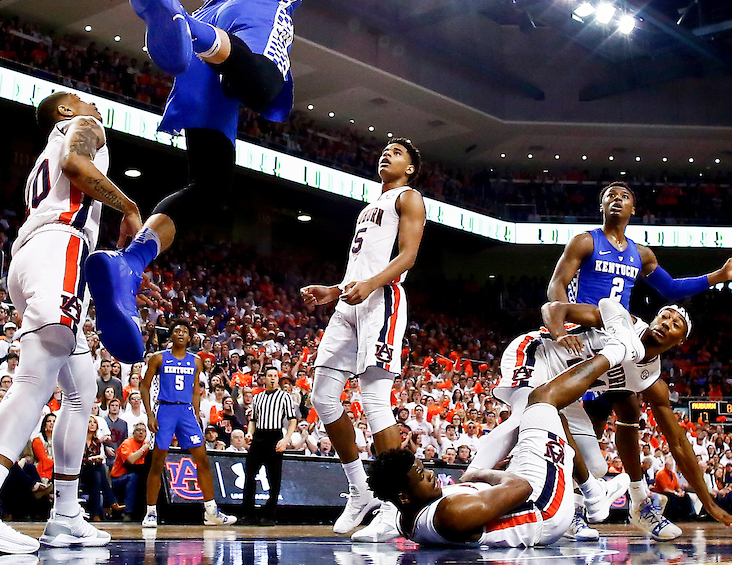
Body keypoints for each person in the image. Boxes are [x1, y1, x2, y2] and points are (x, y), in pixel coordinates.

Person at [85, 0, 389, 365]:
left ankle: (129, 264)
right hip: (248, 20)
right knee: (268, 89)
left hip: (210, 23)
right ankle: (193, 32)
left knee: (209, 186)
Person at [0, 91, 138, 554]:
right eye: (78, 96)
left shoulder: (46, 149)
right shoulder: (83, 128)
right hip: (59, 249)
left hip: (38, 254)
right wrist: (128, 207)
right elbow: (76, 168)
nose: (91, 100)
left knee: (82, 386)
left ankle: (66, 514)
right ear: (66, 111)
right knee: (36, 374)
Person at [544, 181, 732, 538]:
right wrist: (564, 328)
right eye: (611, 195)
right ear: (601, 204)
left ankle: (638, 503)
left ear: (633, 210)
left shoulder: (642, 255)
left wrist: (719, 276)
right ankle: (575, 505)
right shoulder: (585, 241)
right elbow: (555, 289)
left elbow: (671, 290)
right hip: (583, 336)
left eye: (624, 196)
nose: (617, 200)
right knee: (582, 427)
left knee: (628, 409)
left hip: (618, 337)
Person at [366, 335, 642, 547]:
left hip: (527, 498)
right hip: (544, 507)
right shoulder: (449, 513)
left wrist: (496, 471)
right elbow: (521, 487)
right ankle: (617, 349)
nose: (432, 475)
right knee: (542, 398)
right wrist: (483, 473)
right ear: (404, 495)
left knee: (550, 418)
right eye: (422, 475)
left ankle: (594, 496)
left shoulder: (407, 515)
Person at [300, 140, 425, 541]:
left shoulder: (409, 197)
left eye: (397, 152)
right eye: (384, 150)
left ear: (409, 169)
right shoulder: (369, 206)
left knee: (373, 399)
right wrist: (334, 290)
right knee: (322, 395)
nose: (386, 154)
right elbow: (362, 263)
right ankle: (361, 490)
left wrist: (370, 285)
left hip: (382, 300)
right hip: (350, 302)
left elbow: (407, 256)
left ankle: (394, 506)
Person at [140, 319, 236, 527]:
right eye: (177, 330)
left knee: (202, 460)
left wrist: (195, 411)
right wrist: (149, 414)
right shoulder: (158, 359)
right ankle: (150, 512)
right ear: (171, 336)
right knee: (157, 462)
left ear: (190, 337)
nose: (181, 333)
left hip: (186, 412)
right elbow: (144, 386)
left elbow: (195, 389)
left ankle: (211, 512)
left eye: (185, 331)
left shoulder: (196, 361)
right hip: (165, 409)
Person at [241, 365, 299, 525]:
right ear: (264, 378)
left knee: (274, 477)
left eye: (275, 375)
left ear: (277, 378)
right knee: (250, 474)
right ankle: (248, 513)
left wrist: (286, 439)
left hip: (275, 436)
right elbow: (253, 420)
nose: (272, 378)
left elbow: (293, 420)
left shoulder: (284, 397)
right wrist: (249, 433)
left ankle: (270, 514)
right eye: (269, 375)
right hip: (259, 436)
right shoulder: (258, 397)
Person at [111, 422, 151, 520]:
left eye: (143, 431)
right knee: (133, 477)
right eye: (138, 430)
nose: (141, 433)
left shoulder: (147, 445)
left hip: (138, 473)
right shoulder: (127, 443)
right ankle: (128, 513)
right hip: (119, 478)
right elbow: (130, 460)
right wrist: (142, 450)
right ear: (133, 433)